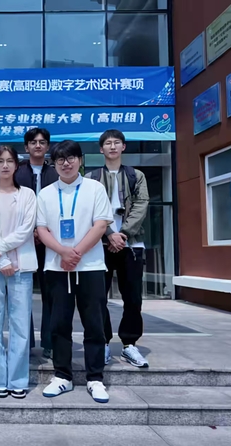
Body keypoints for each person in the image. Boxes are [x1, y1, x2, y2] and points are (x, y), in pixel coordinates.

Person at [37, 140, 111, 404]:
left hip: (90, 267)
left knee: (94, 325)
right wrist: (63, 252)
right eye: (60, 159)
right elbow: (41, 229)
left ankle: (95, 378)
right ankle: (62, 376)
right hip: (57, 268)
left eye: (71, 158)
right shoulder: (45, 193)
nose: (65, 163)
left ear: (80, 160)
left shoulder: (95, 188)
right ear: (54, 164)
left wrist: (75, 252)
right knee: (59, 324)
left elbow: (100, 225)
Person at [85, 129, 150, 369]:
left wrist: (123, 234)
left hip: (131, 245)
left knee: (132, 297)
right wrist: (110, 234)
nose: (112, 147)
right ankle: (102, 342)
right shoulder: (91, 178)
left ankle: (129, 344)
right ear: (101, 149)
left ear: (123, 147)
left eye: (117, 143)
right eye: (108, 143)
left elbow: (142, 205)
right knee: (97, 297)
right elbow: (89, 209)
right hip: (99, 245)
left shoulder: (136, 176)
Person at [0, 145, 37, 399]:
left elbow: (26, 229)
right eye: (0, 161)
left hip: (22, 265)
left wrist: (1, 248)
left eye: (9, 161)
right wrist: (2, 259)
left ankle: (18, 379)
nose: (5, 165)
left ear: (16, 165)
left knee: (20, 323)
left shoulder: (27, 195)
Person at [15, 128, 58, 359]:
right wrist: (28, 231)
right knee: (22, 292)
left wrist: (44, 231)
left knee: (50, 293)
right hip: (23, 241)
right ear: (26, 147)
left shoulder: (56, 173)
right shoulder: (17, 173)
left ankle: (50, 342)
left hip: (50, 242)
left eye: (42, 142)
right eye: (33, 142)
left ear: (48, 146)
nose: (38, 146)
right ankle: (25, 342)